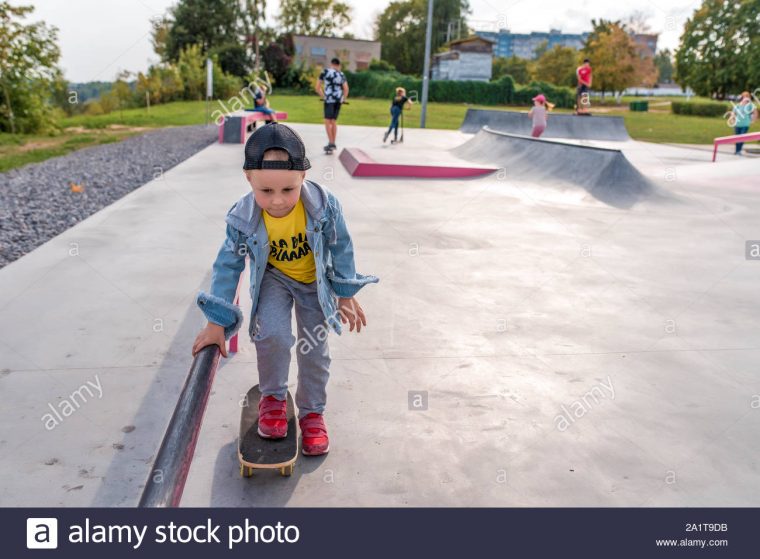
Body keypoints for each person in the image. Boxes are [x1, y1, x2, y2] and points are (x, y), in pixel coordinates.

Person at [191, 122, 378, 456]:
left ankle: (312, 414)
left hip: (313, 283)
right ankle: (274, 399)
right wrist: (216, 322)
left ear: (303, 177)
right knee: (272, 335)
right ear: (249, 179)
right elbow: (227, 265)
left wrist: (346, 294)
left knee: (314, 351)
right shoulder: (243, 217)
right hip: (274, 278)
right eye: (266, 192)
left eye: (287, 190)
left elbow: (341, 247)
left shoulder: (323, 206)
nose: (277, 201)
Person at [316, 58, 349, 152]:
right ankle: (333, 143)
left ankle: (331, 143)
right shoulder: (341, 74)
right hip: (338, 100)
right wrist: (343, 99)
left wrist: (324, 96)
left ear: (331, 64)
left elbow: (317, 87)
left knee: (327, 121)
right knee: (333, 121)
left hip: (329, 99)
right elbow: (346, 89)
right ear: (338, 65)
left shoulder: (325, 72)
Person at [732, 91, 757, 156]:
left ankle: (739, 150)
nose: (745, 97)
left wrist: (753, 120)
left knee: (742, 137)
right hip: (737, 124)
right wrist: (733, 119)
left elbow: (755, 112)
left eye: (747, 96)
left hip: (745, 124)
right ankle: (737, 150)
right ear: (742, 97)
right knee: (737, 138)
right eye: (744, 96)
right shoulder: (738, 105)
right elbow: (733, 113)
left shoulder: (750, 105)